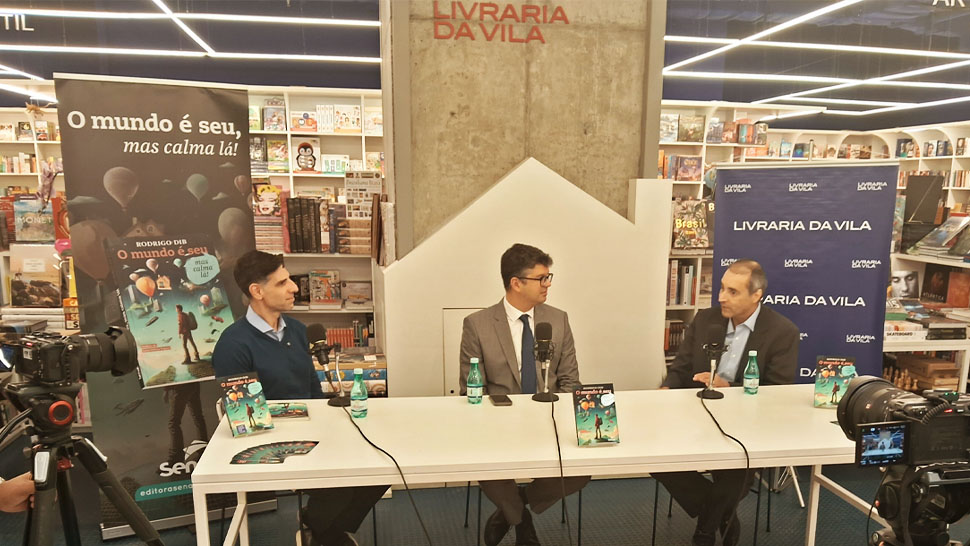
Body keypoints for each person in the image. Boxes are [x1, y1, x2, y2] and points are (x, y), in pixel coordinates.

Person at [213, 250, 387, 546]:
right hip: (268, 445)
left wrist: (327, 427)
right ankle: (326, 531)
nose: (294, 287)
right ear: (257, 291)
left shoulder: (297, 329)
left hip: (313, 432)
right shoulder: (233, 345)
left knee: (381, 463)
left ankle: (319, 522)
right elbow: (245, 419)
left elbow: (314, 393)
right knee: (342, 480)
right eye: (282, 283)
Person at [656, 259, 799, 546]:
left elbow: (777, 392)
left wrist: (730, 388)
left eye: (732, 292)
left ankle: (706, 531)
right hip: (696, 412)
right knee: (655, 455)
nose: (721, 297)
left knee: (740, 463)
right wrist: (666, 389)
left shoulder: (782, 332)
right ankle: (721, 516)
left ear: (756, 295)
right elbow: (682, 367)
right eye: (722, 288)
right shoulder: (705, 319)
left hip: (749, 421)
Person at [459, 243, 590, 546]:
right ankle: (522, 520)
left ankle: (513, 507)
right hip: (498, 423)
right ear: (516, 283)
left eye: (549, 277)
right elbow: (471, 388)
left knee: (584, 469)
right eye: (541, 278)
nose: (548, 284)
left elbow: (570, 380)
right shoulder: (477, 325)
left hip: (550, 418)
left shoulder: (558, 320)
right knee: (481, 460)